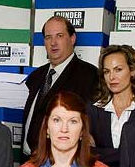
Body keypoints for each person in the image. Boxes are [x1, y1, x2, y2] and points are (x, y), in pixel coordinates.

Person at [22, 16, 100, 156]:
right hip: (29, 160)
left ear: (72, 39)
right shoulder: (36, 76)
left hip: (63, 161)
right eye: (48, 37)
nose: (53, 43)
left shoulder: (89, 76)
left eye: (59, 36)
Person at [88, 44, 135, 167]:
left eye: (118, 69)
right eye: (106, 71)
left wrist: (102, 152)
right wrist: (129, 154)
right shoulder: (92, 111)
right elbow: (85, 153)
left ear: (133, 71)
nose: (111, 77)